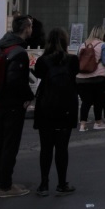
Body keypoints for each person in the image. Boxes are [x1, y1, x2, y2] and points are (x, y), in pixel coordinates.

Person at [0, 14, 34, 198]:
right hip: (12, 104)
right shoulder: (19, 52)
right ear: (26, 29)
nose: (32, 29)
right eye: (30, 26)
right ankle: (6, 186)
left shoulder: (3, 45)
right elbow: (16, 80)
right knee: (10, 143)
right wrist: (28, 95)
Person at [33, 27, 79, 196]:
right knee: (62, 147)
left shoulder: (43, 61)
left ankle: (44, 183)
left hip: (46, 106)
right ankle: (62, 182)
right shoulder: (73, 60)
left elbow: (38, 75)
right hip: (66, 106)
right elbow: (75, 74)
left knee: (46, 147)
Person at [75, 25, 105, 131]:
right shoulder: (102, 45)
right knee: (98, 101)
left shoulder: (82, 45)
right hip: (97, 77)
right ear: (101, 33)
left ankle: (83, 125)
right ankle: (98, 122)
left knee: (86, 102)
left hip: (81, 78)